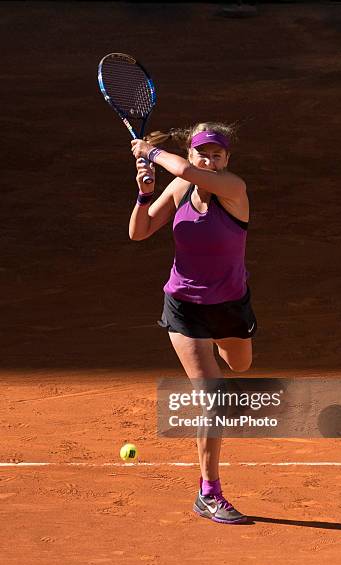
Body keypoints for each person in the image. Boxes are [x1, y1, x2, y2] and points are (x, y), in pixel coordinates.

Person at [129, 122, 257, 524]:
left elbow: (183, 170)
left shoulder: (233, 189)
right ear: (193, 152)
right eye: (202, 152)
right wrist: (144, 194)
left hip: (229, 306)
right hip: (183, 305)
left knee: (241, 365)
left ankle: (221, 345)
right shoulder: (180, 188)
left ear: (227, 160)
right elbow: (139, 231)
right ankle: (209, 491)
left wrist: (149, 152)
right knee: (213, 396)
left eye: (217, 154)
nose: (209, 159)